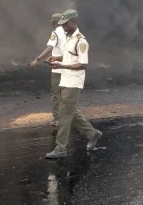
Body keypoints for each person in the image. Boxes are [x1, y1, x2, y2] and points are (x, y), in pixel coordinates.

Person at [45, 9, 102, 159]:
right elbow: (69, 56)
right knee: (71, 112)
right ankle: (93, 133)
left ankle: (61, 148)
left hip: (73, 82)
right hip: (65, 80)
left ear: (74, 22)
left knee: (64, 115)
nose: (63, 27)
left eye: (66, 24)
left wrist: (61, 66)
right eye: (62, 24)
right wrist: (56, 58)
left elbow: (83, 64)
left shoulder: (81, 41)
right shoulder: (69, 38)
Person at [30, 13, 66, 126]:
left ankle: (57, 119)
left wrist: (37, 59)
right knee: (67, 95)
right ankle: (67, 118)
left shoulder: (55, 33)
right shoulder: (69, 32)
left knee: (56, 95)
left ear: (54, 22)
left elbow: (50, 48)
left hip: (57, 68)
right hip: (69, 67)